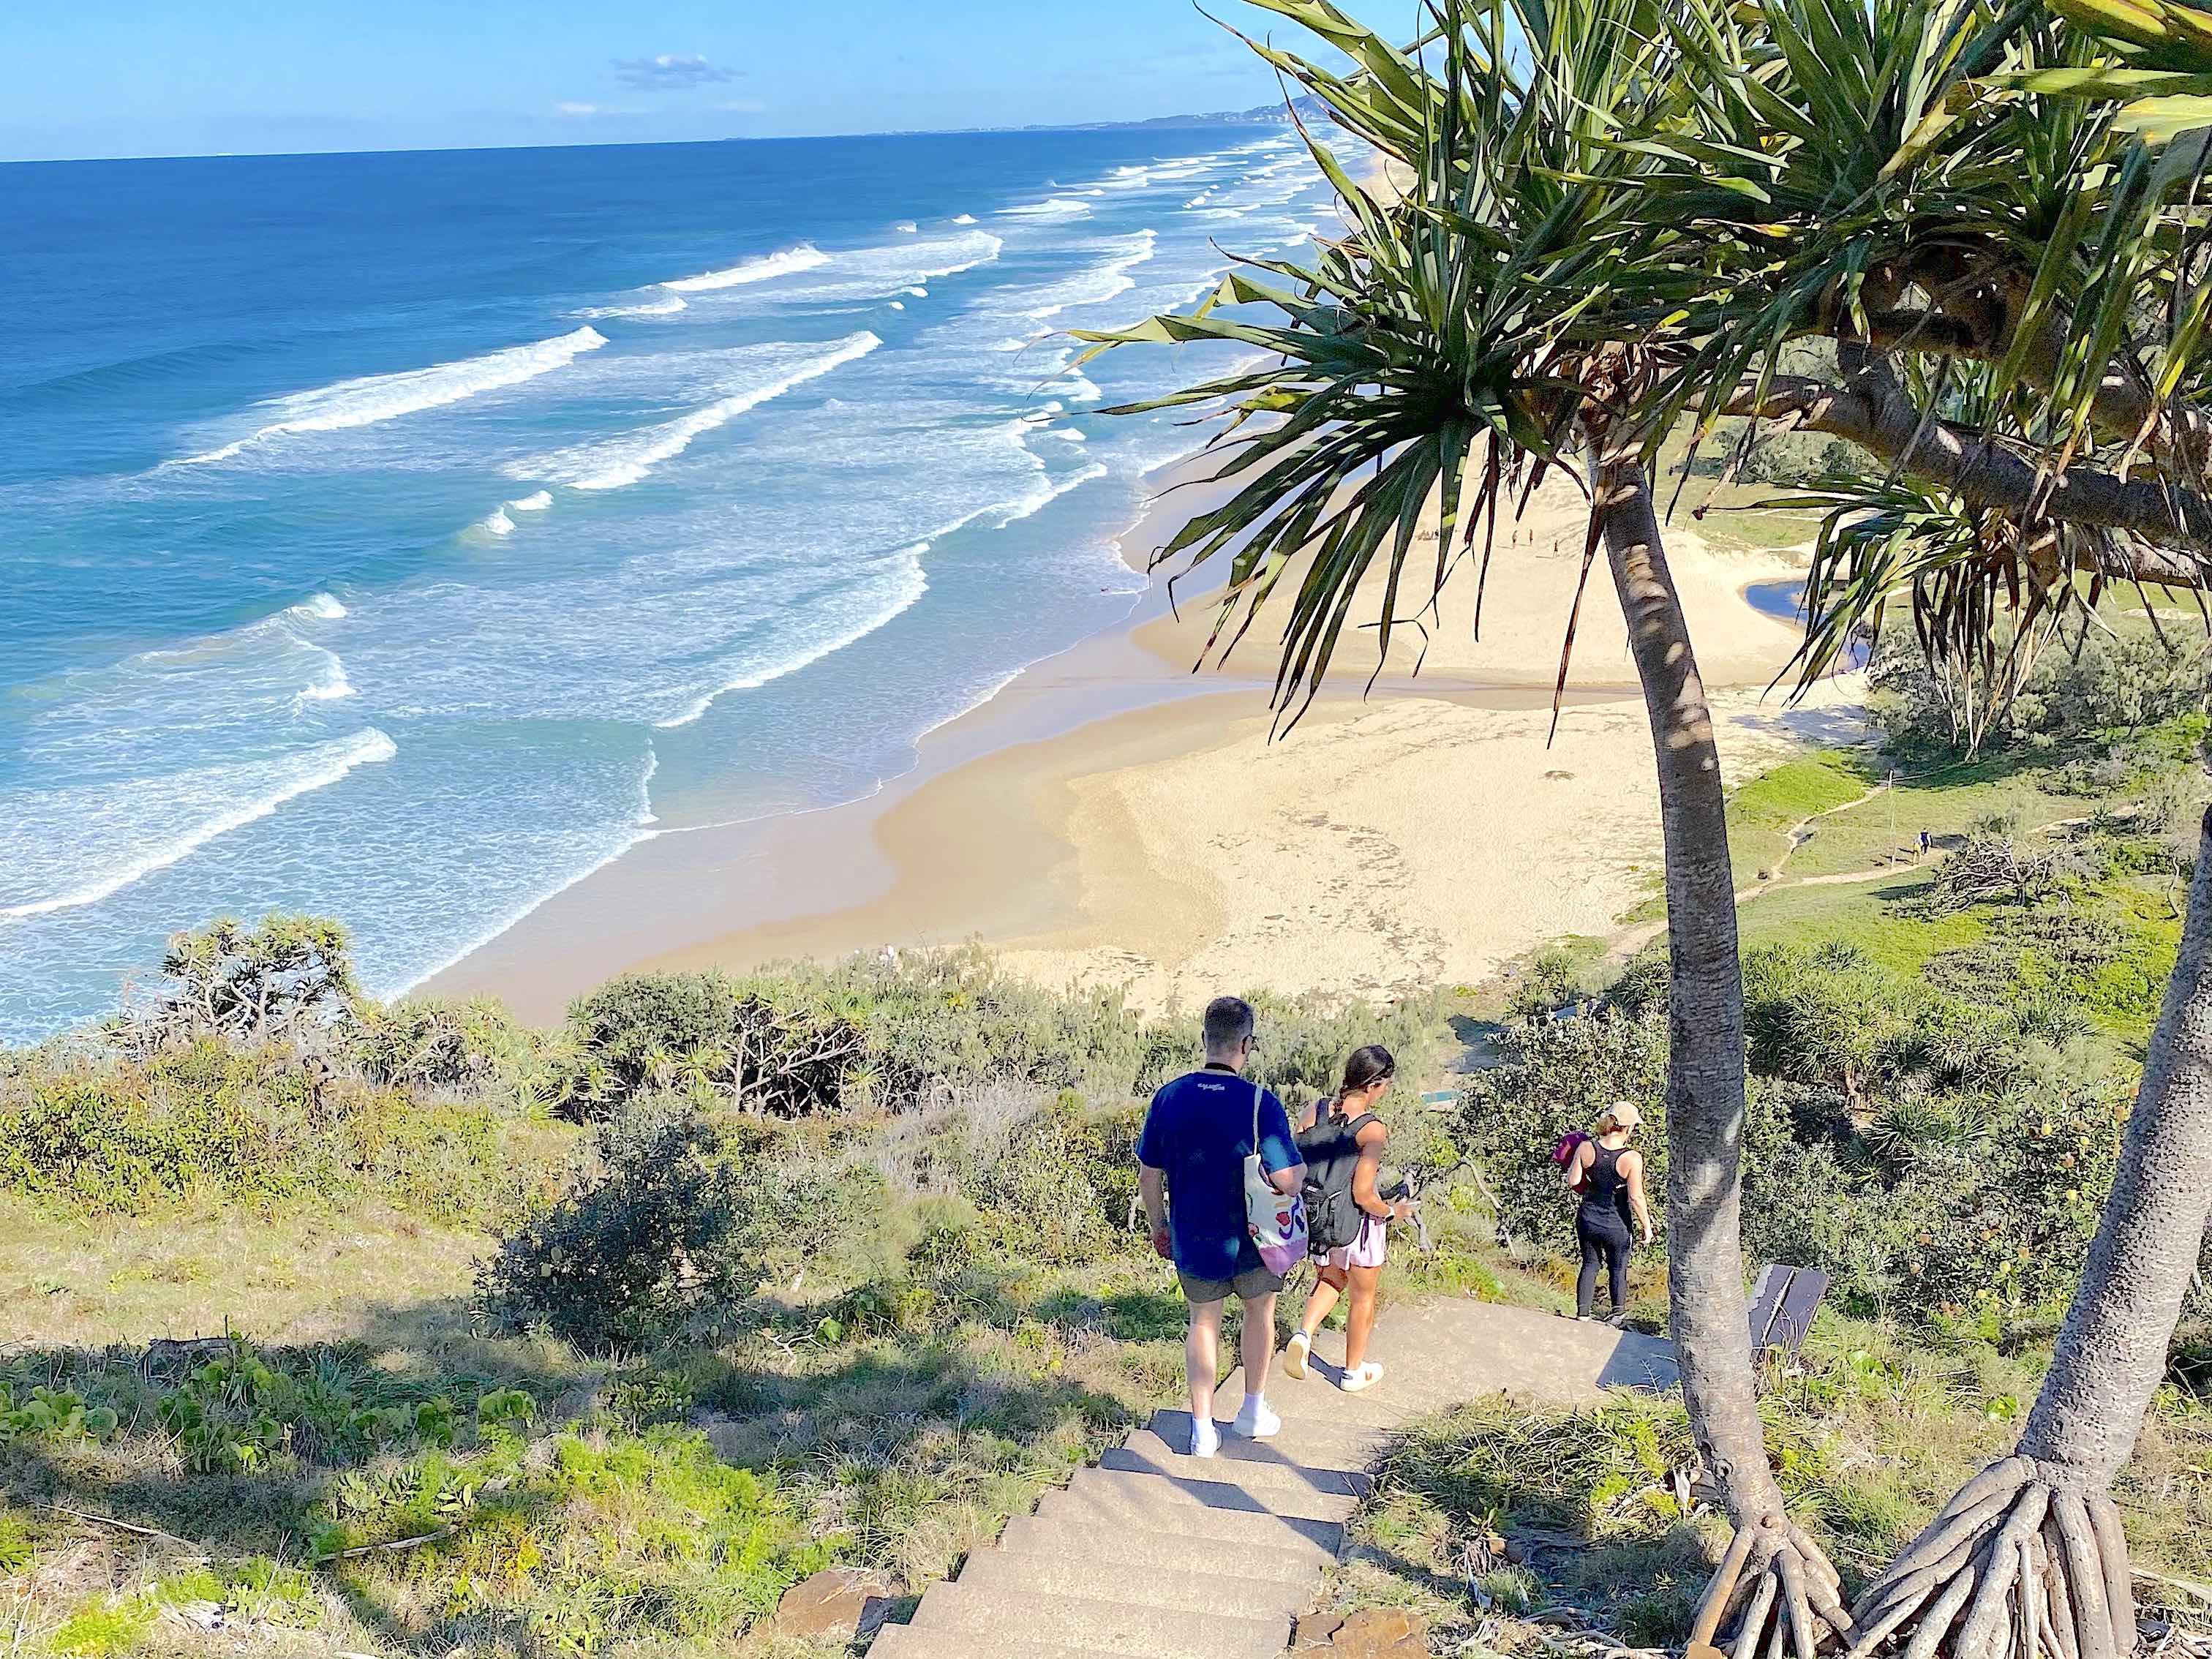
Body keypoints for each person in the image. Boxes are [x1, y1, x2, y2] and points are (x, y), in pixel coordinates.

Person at [1137, 995, 1306, 1458]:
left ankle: (1201, 1429)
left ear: (1205, 1039)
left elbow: (1149, 1175)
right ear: (1246, 1044)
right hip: (1255, 1241)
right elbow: (1289, 1181)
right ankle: (1252, 1410)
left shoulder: (1169, 1098)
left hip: (1194, 1237)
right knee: (1260, 1314)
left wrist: (1159, 1226)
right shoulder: (1260, 1103)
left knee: (1203, 1323)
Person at [1283, 1045, 1412, 1393]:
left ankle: (1304, 1334)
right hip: (1356, 1226)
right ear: (1373, 1085)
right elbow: (1364, 1194)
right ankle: (1353, 1372)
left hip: (1318, 1220)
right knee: (1363, 1297)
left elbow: (1294, 1164)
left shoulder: (1314, 1110)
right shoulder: (1372, 1130)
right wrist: (1392, 1212)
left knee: (1331, 1278)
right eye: (1385, 1085)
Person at [1564, 1100, 1654, 1320]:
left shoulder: (1586, 1148)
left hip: (1588, 1218)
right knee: (1618, 1269)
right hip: (1617, 1224)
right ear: (1628, 1128)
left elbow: (1572, 1180)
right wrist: (1647, 1227)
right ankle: (1617, 1317)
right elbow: (1636, 1197)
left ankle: (1583, 1314)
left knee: (1590, 1264)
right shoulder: (1632, 1158)